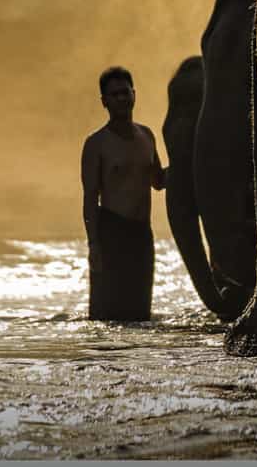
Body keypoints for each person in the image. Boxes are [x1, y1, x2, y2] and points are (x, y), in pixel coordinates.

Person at [81, 67, 166, 322]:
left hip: (142, 234)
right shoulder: (96, 143)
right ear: (104, 101)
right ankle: (107, 358)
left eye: (125, 92)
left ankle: (135, 358)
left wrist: (190, 162)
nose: (121, 98)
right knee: (106, 313)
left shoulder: (146, 136)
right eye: (114, 94)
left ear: (134, 94)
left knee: (140, 312)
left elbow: (158, 181)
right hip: (111, 232)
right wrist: (93, 244)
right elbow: (89, 198)